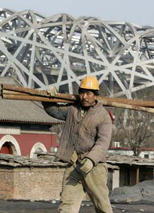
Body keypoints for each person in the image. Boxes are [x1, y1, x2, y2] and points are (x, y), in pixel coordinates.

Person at [43, 76, 113, 213]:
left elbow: (103, 142)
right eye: (82, 93)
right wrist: (48, 98)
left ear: (95, 95)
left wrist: (92, 159)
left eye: (89, 93)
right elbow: (53, 110)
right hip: (74, 165)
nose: (85, 97)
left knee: (102, 207)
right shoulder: (72, 110)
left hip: (94, 168)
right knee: (66, 206)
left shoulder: (103, 116)